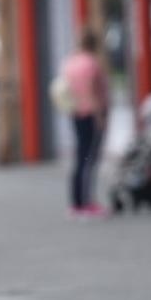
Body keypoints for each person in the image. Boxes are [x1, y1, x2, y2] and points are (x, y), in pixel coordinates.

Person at [55, 29, 111, 217]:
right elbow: (90, 91)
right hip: (90, 113)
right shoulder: (91, 63)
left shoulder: (70, 62)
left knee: (80, 157)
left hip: (75, 113)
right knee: (89, 159)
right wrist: (99, 117)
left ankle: (76, 202)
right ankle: (87, 202)